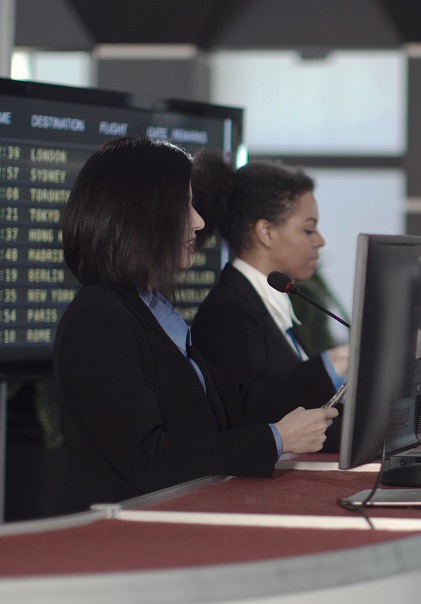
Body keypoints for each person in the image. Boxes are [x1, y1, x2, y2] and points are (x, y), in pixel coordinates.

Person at [54, 136, 338, 514]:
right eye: (185, 205)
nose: (199, 221)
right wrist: (276, 439)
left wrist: (332, 378)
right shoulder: (97, 321)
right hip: (125, 541)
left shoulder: (150, 308)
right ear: (142, 214)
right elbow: (149, 460)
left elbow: (233, 406)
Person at [190, 153, 347, 417]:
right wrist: (339, 360)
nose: (320, 241)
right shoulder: (228, 312)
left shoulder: (268, 299)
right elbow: (259, 412)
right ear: (266, 232)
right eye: (308, 230)